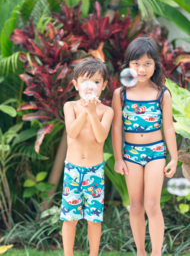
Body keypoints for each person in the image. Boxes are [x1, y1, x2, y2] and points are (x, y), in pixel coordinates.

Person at [112, 37, 177, 256]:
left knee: (151, 204)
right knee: (136, 205)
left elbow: (168, 128)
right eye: (136, 63)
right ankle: (140, 252)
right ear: (128, 65)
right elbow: (117, 128)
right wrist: (119, 158)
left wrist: (174, 158)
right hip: (131, 154)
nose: (141, 68)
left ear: (155, 65)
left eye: (148, 63)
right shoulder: (120, 94)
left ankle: (156, 253)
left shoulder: (162, 93)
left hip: (156, 153)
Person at [60, 58, 114, 256]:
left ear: (104, 85)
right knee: (70, 217)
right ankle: (68, 254)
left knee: (94, 218)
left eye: (97, 82)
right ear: (75, 84)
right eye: (85, 81)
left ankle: (93, 254)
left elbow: (101, 138)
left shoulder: (106, 111)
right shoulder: (70, 107)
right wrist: (85, 111)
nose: (90, 86)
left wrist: (93, 113)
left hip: (95, 171)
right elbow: (72, 133)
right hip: (73, 169)